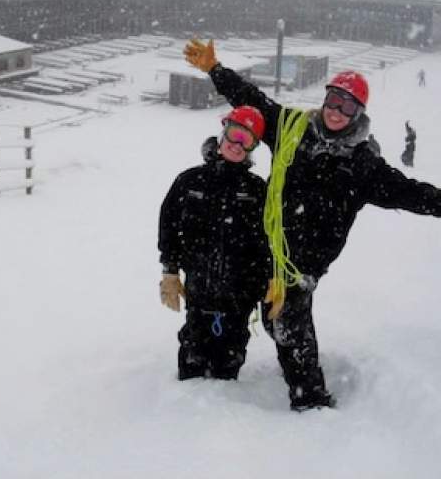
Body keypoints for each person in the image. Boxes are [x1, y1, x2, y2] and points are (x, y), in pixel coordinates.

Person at [183, 38, 441, 411]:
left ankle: (311, 400)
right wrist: (215, 70)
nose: (337, 109)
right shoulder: (291, 128)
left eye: (347, 104)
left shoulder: (362, 166)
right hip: (267, 246)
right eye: (333, 99)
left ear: (358, 111)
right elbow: (251, 99)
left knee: (289, 321)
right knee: (269, 317)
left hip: (303, 262)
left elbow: (410, 193)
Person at [159, 106, 272, 383]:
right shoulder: (190, 181)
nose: (237, 145)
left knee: (228, 360)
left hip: (240, 293)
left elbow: (267, 241)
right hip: (199, 287)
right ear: (222, 134)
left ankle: (222, 407)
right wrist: (170, 271)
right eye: (234, 135)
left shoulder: (257, 190)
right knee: (193, 353)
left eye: (247, 141)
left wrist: (270, 277)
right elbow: (169, 227)